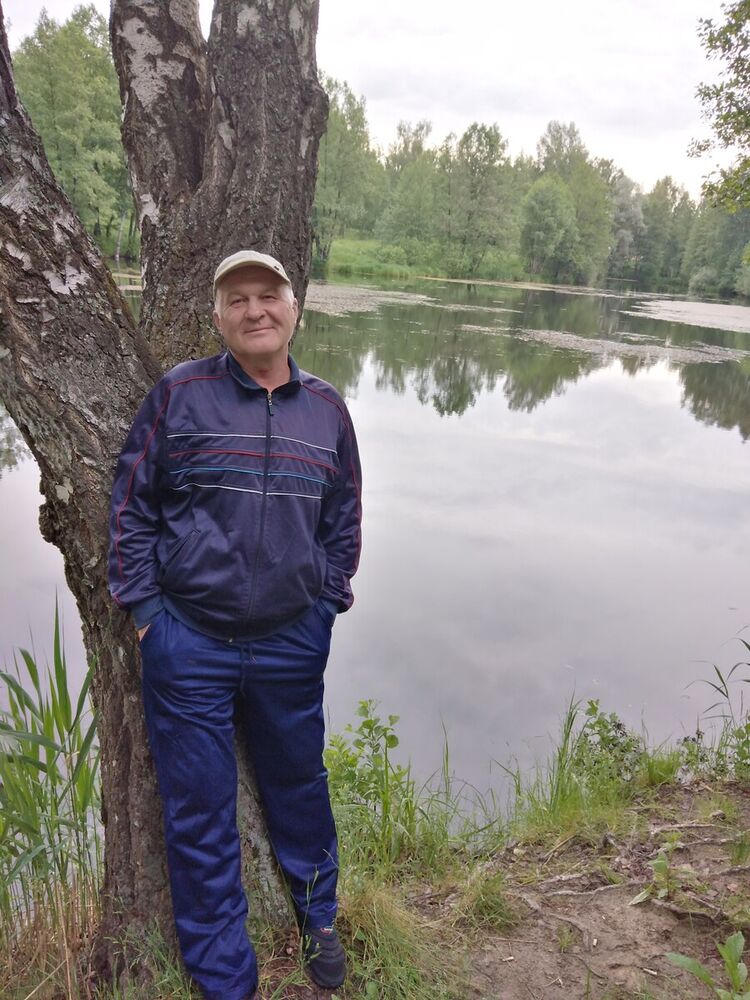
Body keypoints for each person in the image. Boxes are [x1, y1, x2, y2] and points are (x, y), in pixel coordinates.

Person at [108, 250, 362, 1000]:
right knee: (199, 813)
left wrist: (326, 604)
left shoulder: (328, 410)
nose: (256, 310)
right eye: (238, 299)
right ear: (217, 317)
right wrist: (149, 616)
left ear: (295, 308)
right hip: (189, 643)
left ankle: (319, 916)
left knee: (299, 785)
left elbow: (342, 523)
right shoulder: (180, 395)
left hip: (291, 642)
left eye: (269, 295)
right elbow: (131, 510)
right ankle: (227, 979)